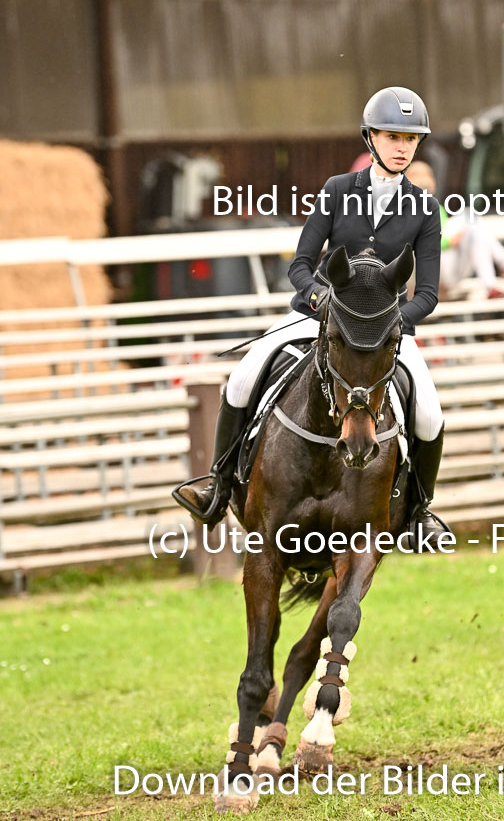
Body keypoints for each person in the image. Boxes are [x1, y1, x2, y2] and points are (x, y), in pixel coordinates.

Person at [176, 86, 449, 547]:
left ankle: (419, 513)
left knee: (429, 414)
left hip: (384, 331)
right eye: (392, 137)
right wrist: (319, 296)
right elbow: (299, 266)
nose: (402, 148)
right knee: (241, 380)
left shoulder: (424, 209)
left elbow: (427, 294)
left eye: (410, 139)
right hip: (320, 316)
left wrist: (394, 322)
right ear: (371, 138)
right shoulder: (337, 191)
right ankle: (217, 486)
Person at [405, 160, 504, 299]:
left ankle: (491, 285)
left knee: (475, 231)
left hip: (452, 270)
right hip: (429, 275)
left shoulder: (437, 208)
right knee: (467, 216)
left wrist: (451, 240)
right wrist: (448, 242)